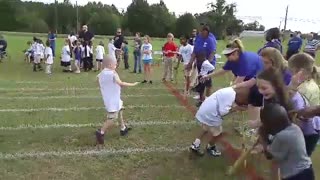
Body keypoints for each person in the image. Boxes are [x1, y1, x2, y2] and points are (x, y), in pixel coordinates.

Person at [257, 68, 318, 156]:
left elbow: (295, 127)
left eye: (264, 88)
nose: (260, 91)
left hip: (308, 131)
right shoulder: (267, 97)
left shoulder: (294, 100)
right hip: (289, 128)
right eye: (258, 87)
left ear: (276, 86)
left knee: (299, 157)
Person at [258, 103, 314, 180]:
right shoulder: (295, 128)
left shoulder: (281, 137)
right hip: (307, 170)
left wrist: (263, 138)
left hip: (295, 176)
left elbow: (270, 155)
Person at [190, 86, 250, 156]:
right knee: (218, 133)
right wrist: (236, 108)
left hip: (205, 109)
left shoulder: (230, 91)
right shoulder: (231, 98)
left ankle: (195, 144)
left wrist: (238, 107)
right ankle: (210, 147)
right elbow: (222, 112)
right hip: (211, 114)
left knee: (205, 128)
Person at [95, 55, 139, 145]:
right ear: (110, 64)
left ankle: (123, 128)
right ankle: (101, 132)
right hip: (112, 100)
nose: (116, 66)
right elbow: (121, 83)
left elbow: (97, 80)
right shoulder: (113, 74)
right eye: (115, 64)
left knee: (120, 109)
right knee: (113, 118)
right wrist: (133, 84)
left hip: (110, 98)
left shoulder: (101, 73)